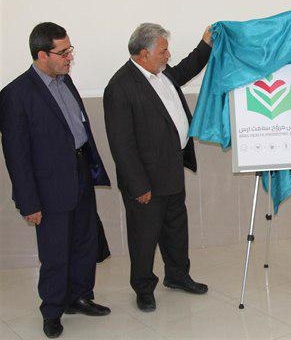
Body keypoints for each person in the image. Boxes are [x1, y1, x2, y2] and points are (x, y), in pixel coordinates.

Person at [0, 22, 111, 338]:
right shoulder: (15, 95)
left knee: (84, 242)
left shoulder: (66, 81)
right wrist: (28, 202)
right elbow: (16, 156)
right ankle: (52, 310)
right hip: (48, 187)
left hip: (80, 173)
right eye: (63, 52)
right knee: (55, 251)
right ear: (41, 55)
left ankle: (79, 296)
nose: (69, 57)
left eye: (69, 50)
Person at [103, 23, 212, 312]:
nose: (168, 55)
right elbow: (122, 145)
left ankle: (177, 275)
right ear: (143, 53)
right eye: (163, 51)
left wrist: (207, 44)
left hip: (172, 170)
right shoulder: (120, 87)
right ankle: (143, 288)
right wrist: (138, 186)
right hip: (146, 181)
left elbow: (187, 68)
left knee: (176, 229)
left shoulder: (163, 74)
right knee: (144, 236)